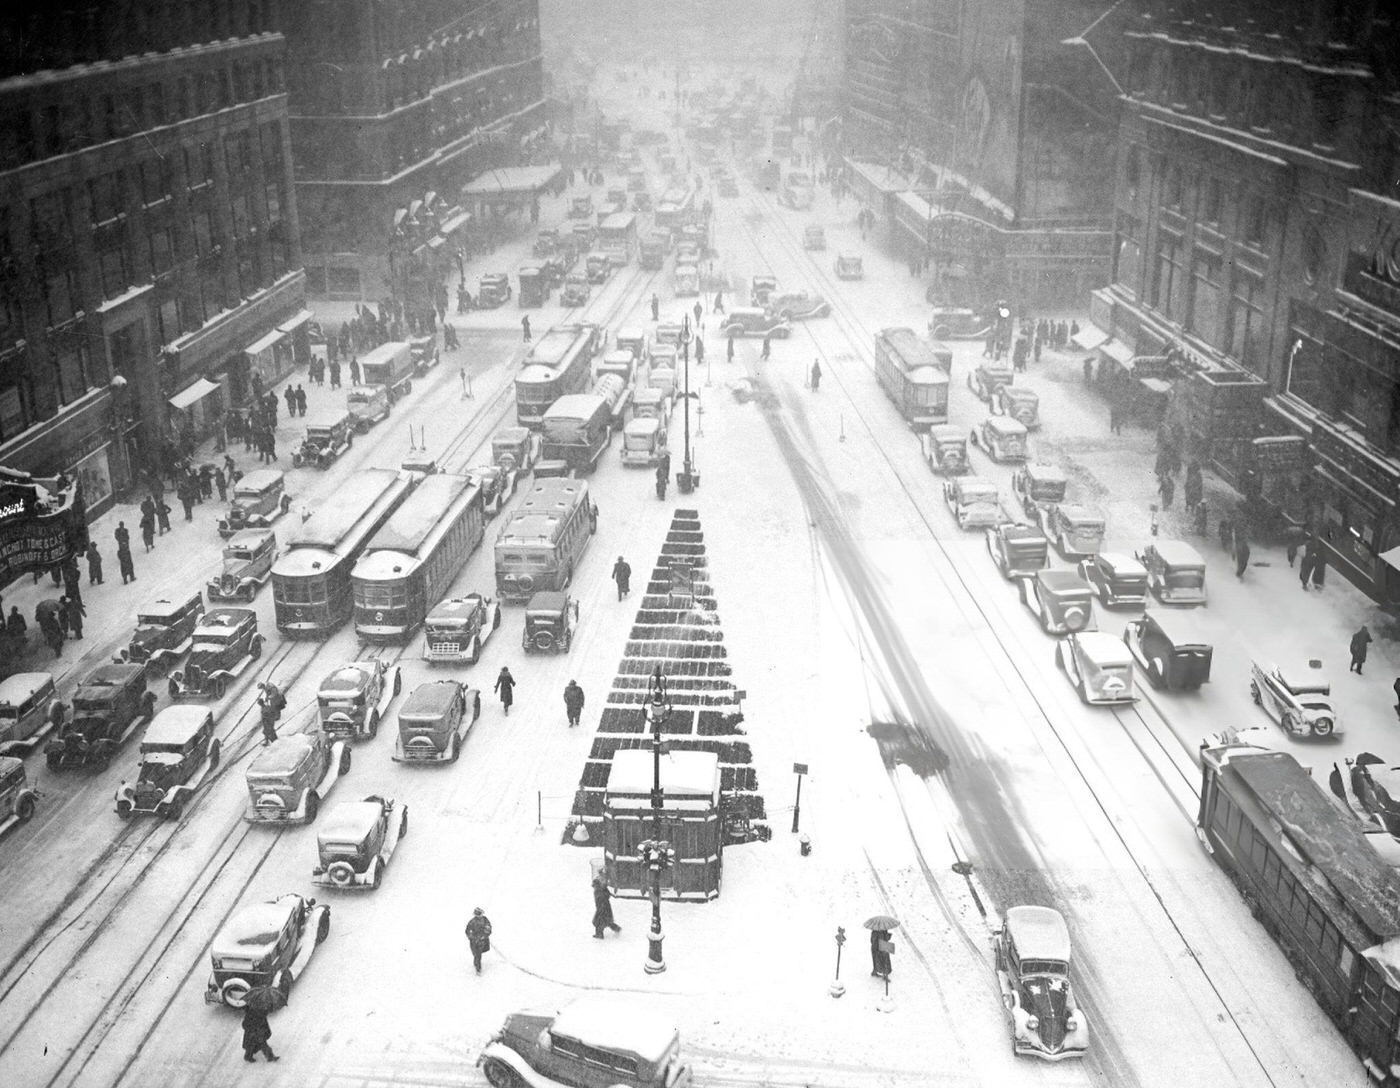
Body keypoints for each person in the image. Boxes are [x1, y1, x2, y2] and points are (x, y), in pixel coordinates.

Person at [465, 907, 492, 974]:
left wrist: (484, 936)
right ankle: (477, 964)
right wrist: (472, 937)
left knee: (478, 954)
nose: (480, 916)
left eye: (480, 914)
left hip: (482, 941)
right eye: (478, 914)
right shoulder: (472, 922)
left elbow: (488, 929)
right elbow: (468, 931)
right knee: (475, 954)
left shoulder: (485, 920)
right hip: (474, 941)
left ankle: (478, 968)